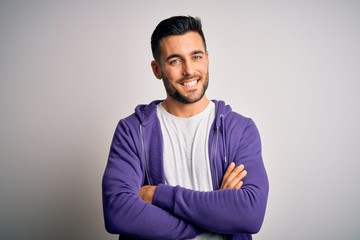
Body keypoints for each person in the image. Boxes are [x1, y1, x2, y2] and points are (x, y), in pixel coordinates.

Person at [102, 15, 269, 240]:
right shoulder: (133, 131)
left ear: (207, 59)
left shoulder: (239, 129)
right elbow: (117, 213)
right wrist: (215, 216)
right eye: (175, 61)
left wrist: (156, 194)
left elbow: (250, 214)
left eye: (196, 56)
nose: (189, 70)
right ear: (157, 69)